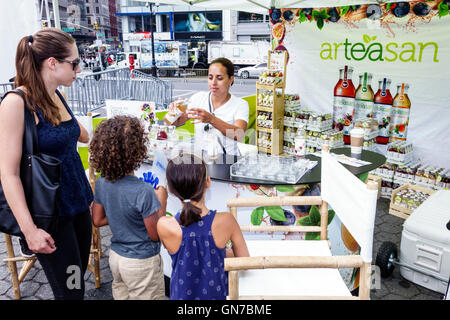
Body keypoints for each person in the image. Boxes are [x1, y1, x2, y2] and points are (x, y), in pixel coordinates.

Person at [0, 28, 93, 299]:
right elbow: (8, 174)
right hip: (52, 216)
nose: (79, 69)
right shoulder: (17, 103)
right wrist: (30, 232)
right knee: (70, 292)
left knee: (77, 280)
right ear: (53, 63)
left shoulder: (56, 94)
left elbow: (80, 134)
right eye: (74, 63)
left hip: (78, 206)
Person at [89, 115, 168, 300]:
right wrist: (161, 202)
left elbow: (97, 219)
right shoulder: (143, 191)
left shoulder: (102, 181)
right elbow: (155, 234)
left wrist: (124, 214)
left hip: (116, 258)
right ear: (137, 150)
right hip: (142, 263)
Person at [157, 153, 249, 300]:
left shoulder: (164, 225)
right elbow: (244, 262)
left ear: (171, 189)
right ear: (207, 182)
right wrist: (221, 253)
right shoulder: (226, 221)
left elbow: (193, 250)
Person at [170, 57, 249, 155]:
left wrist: (211, 119)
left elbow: (239, 134)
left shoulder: (240, 104)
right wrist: (174, 112)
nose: (213, 83)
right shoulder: (198, 98)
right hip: (201, 161)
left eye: (219, 78)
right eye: (210, 78)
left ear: (230, 80)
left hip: (227, 161)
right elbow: (174, 123)